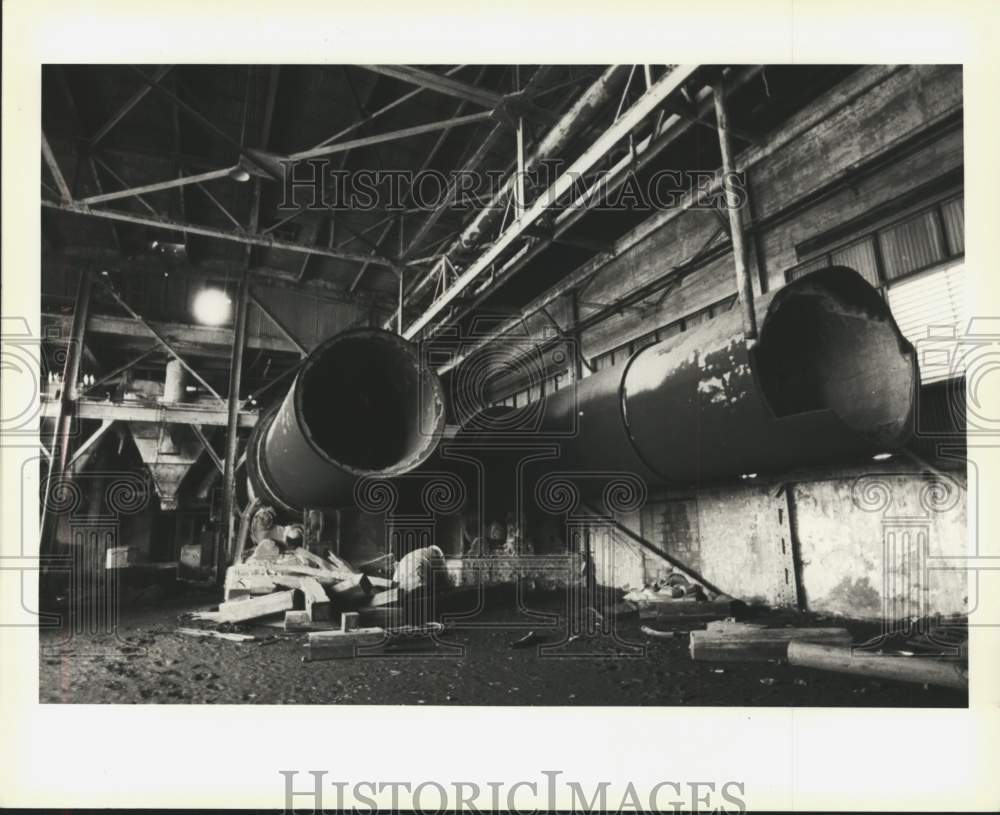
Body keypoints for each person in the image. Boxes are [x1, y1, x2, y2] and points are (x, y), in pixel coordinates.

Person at [392, 544, 447, 623]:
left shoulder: (416, 554)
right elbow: (443, 575)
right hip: (413, 589)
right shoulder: (433, 556)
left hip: (397, 586)